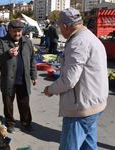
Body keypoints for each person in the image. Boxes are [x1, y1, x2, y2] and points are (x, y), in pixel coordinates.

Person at [43, 8, 108, 150]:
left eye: (60, 27)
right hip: (94, 103)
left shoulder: (77, 43)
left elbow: (69, 80)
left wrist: (51, 89)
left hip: (81, 108)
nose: (60, 30)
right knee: (88, 145)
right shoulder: (89, 37)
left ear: (65, 26)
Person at [0, 19, 37, 133]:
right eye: (14, 31)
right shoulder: (2, 42)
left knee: (24, 104)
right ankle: (10, 123)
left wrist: (34, 75)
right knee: (8, 104)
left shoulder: (27, 42)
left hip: (23, 79)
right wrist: (8, 53)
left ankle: (26, 122)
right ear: (9, 30)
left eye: (19, 31)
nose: (17, 34)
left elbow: (32, 59)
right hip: (8, 80)